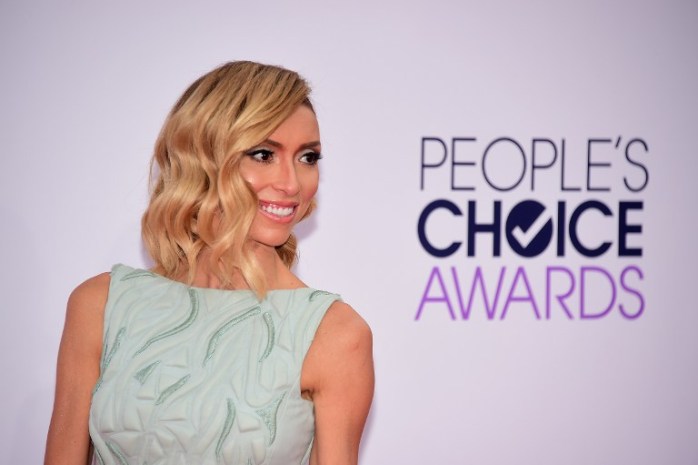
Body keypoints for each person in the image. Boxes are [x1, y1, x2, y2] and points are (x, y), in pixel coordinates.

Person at [44, 61, 374, 465]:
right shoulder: (101, 305)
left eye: (308, 157)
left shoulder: (333, 334)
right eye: (264, 154)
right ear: (204, 157)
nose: (291, 183)